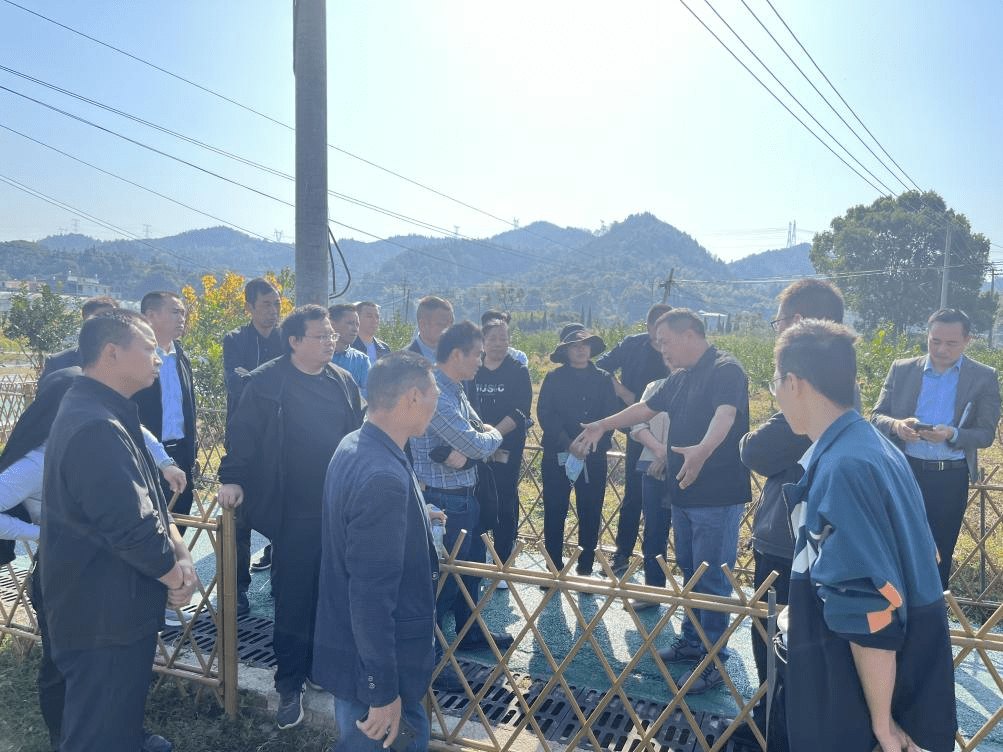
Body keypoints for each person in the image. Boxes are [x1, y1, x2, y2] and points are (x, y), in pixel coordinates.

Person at [774, 319, 956, 752]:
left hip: (850, 699)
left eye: (774, 383)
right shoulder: (873, 446)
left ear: (794, 382)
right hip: (908, 667)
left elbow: (868, 610)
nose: (776, 395)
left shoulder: (843, 467)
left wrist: (882, 725)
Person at [1, 365, 184, 752]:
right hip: (66, 578)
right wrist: (43, 534)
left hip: (111, 576)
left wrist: (166, 462)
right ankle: (66, 738)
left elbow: (142, 434)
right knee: (67, 669)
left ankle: (124, 736)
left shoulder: (105, 434)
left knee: (114, 671)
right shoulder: (40, 460)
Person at [40, 310, 198, 752]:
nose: (159, 359)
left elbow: (148, 502)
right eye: (148, 348)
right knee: (98, 733)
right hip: (101, 616)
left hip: (113, 609)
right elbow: (129, 527)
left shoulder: (106, 412)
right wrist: (175, 576)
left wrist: (180, 551)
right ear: (111, 353)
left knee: (115, 722)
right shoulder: (95, 425)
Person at [575, 309, 751, 693]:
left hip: (717, 494)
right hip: (685, 490)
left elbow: (726, 415)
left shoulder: (726, 369)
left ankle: (713, 661)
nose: (662, 350)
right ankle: (692, 642)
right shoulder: (680, 377)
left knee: (712, 579)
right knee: (690, 571)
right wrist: (604, 424)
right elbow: (646, 408)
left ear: (690, 335)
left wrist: (702, 451)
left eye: (665, 341)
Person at [217, 304, 364, 729]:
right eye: (321, 336)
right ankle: (289, 682)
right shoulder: (267, 381)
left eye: (332, 336)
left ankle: (320, 669)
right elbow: (241, 433)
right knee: (294, 596)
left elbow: (356, 437)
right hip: (291, 509)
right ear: (295, 341)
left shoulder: (344, 382)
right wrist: (233, 477)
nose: (330, 342)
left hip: (335, 507)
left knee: (331, 592)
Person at [313, 352, 441, 752]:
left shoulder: (356, 443)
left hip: (350, 651)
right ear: (411, 399)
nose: (438, 402)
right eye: (434, 393)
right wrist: (381, 691)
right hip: (375, 669)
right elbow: (370, 595)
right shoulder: (383, 476)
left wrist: (418, 515)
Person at [739, 278, 847, 699]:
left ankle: (778, 723)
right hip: (808, 536)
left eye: (779, 321)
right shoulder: (839, 380)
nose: (777, 330)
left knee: (778, 638)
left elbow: (757, 451)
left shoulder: (810, 385)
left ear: (798, 322)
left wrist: (749, 440)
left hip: (792, 539)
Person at [408, 321, 510, 685]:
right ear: (457, 355)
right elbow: (481, 442)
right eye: (477, 354)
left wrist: (471, 451)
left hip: (463, 497)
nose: (482, 361)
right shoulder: (437, 395)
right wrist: (491, 438)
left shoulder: (456, 388)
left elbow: (476, 435)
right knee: (440, 585)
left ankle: (467, 637)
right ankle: (432, 662)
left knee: (466, 580)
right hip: (443, 503)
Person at [871, 307, 1001, 591]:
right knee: (896, 545)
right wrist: (897, 426)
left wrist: (951, 433)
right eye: (935, 341)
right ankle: (893, 618)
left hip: (949, 477)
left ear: (968, 340)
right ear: (927, 337)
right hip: (904, 472)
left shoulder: (982, 377)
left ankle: (931, 619)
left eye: (951, 343)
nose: (941, 349)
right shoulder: (903, 369)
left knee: (940, 551)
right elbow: (876, 415)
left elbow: (985, 434)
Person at [221, 278, 285, 612]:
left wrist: (254, 376)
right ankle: (237, 589)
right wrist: (262, 379)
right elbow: (237, 385)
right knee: (238, 519)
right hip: (243, 440)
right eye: (265, 304)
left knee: (282, 513)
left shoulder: (286, 339)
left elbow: (281, 384)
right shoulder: (235, 340)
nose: (273, 311)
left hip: (280, 441)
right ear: (249, 307)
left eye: (276, 304)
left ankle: (282, 581)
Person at [538, 324, 621, 578]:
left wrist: (588, 443)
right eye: (574, 346)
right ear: (565, 351)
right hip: (557, 454)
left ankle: (585, 565)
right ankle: (553, 566)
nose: (580, 350)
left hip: (593, 455)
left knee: (591, 510)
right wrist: (568, 442)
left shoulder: (604, 379)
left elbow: (612, 416)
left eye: (584, 344)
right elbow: (545, 414)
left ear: (591, 348)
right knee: (554, 509)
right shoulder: (553, 378)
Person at [596, 303, 671, 575]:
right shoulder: (632, 345)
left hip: (672, 432)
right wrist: (625, 394)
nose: (663, 339)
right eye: (658, 331)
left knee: (667, 499)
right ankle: (622, 556)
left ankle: (659, 565)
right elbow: (601, 367)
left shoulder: (674, 350)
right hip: (636, 428)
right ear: (649, 326)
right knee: (634, 494)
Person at [469, 316, 532, 578]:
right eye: (492, 338)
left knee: (505, 500)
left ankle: (504, 559)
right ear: (482, 341)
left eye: (503, 338)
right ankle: (480, 554)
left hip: (507, 447)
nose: (498, 343)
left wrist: (492, 434)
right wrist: (478, 434)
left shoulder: (517, 370)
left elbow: (520, 411)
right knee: (477, 497)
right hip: (473, 446)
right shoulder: (473, 369)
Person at [133, 292, 198, 529]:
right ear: (150, 316)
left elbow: (189, 407)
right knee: (148, 525)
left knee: (180, 520)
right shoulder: (136, 357)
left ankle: (178, 566)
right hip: (146, 454)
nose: (182, 318)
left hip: (181, 454)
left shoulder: (181, 356)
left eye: (183, 312)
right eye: (175, 312)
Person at [628, 372, 671, 598]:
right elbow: (638, 425)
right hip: (651, 466)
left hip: (687, 468)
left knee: (688, 537)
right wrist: (659, 451)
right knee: (654, 531)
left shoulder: (703, 387)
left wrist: (667, 456)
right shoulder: (654, 385)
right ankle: (653, 591)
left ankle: (694, 603)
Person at [38, 295, 118, 381]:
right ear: (86, 323)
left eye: (115, 319)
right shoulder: (58, 364)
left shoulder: (129, 361)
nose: (110, 325)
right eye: (103, 319)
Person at [329, 303, 371, 398]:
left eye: (357, 324)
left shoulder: (361, 360)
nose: (355, 329)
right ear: (332, 325)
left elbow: (368, 397)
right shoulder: (317, 356)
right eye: (350, 323)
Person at [407, 296, 454, 361]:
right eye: (442, 324)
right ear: (422, 325)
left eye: (451, 323)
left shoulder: (457, 357)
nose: (449, 329)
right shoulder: (405, 360)